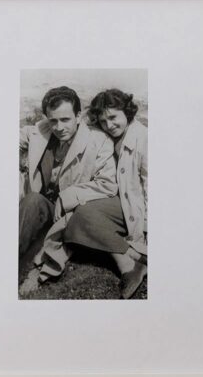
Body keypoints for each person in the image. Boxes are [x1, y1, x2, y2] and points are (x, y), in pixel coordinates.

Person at [19, 86, 115, 292]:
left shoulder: (98, 141)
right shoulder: (40, 130)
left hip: (69, 211)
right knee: (32, 201)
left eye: (65, 120)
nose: (59, 127)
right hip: (40, 206)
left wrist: (69, 196)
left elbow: (107, 183)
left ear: (78, 116)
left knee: (32, 204)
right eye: (53, 120)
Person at [62, 88, 148, 299]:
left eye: (113, 117)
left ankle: (128, 266)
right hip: (120, 200)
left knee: (84, 214)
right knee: (78, 213)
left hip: (136, 205)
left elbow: (151, 186)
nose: (109, 125)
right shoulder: (106, 134)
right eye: (103, 120)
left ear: (127, 112)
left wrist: (148, 227)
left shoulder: (144, 138)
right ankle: (133, 255)